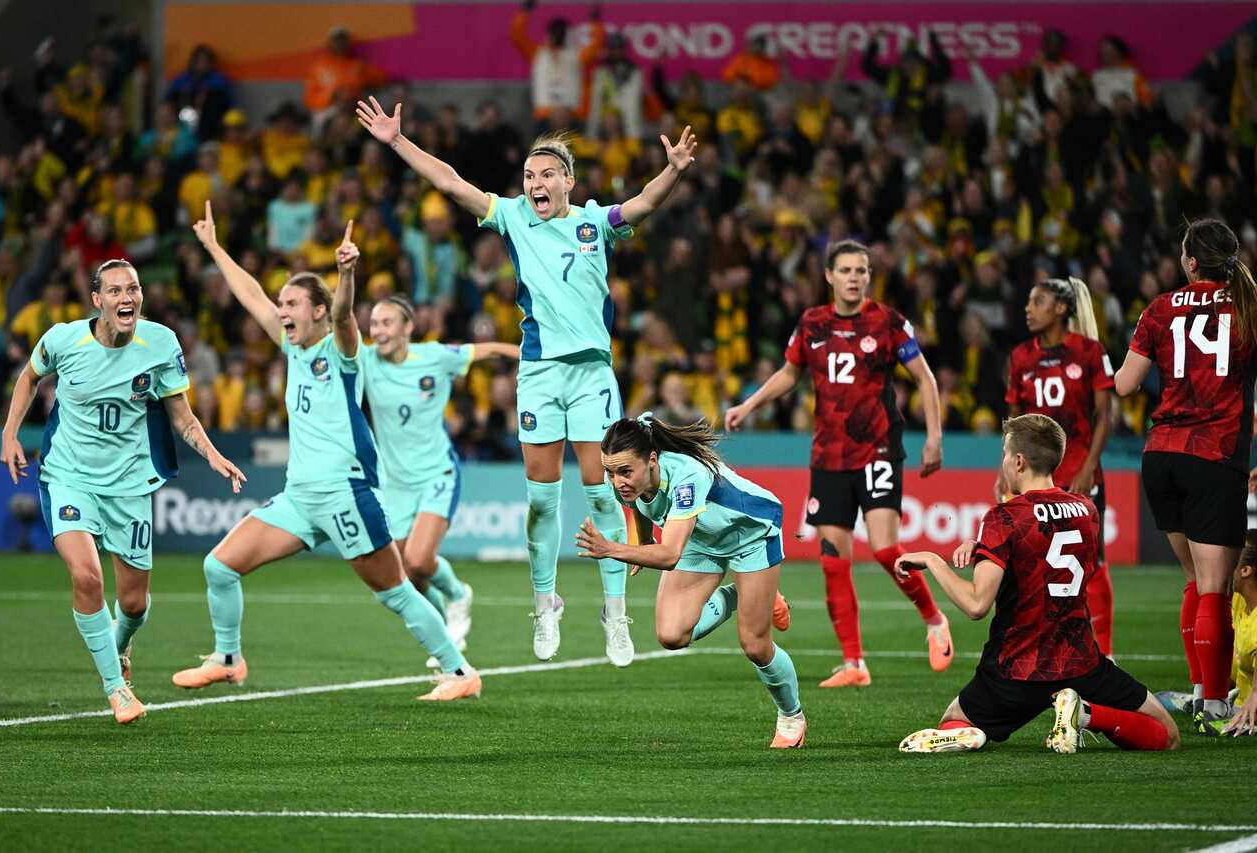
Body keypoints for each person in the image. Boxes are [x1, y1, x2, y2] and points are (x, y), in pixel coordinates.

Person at [356, 96, 696, 666]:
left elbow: (640, 205)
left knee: (603, 492)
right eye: (528, 175)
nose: (534, 183)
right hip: (539, 374)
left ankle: (615, 612)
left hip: (591, 373)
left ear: (567, 180)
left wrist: (674, 169)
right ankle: (546, 603)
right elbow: (450, 182)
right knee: (542, 502)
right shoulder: (513, 216)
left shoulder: (594, 222)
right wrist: (396, 142)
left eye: (545, 174)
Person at [173, 202, 481, 701]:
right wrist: (213, 246)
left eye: (292, 304)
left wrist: (345, 275)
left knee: (395, 591)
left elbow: (343, 315)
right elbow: (249, 293)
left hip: (344, 494)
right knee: (219, 566)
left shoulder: (341, 352)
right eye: (282, 304)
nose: (281, 311)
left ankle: (461, 673)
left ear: (317, 310)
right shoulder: (292, 348)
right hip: (300, 497)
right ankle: (228, 658)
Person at [0, 258, 245, 724]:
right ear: (97, 300)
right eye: (114, 291)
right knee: (87, 577)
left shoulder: (161, 344)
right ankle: (117, 688)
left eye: (132, 289)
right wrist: (11, 432)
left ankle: (121, 644)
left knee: (132, 603)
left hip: (130, 485)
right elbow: (30, 377)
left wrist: (211, 454)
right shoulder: (63, 339)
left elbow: (181, 416)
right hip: (68, 476)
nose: (126, 297)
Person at [724, 240, 951, 689]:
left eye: (861, 270)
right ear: (829, 275)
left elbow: (924, 377)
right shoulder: (812, 323)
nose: (854, 277)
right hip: (829, 455)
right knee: (833, 561)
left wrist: (935, 436)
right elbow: (790, 373)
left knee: (886, 550)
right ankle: (854, 664)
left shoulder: (888, 322)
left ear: (869, 276)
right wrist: (748, 406)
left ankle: (933, 619)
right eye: (845, 269)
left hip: (879, 447)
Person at [897, 414, 1180, 753]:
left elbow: (976, 604)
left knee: (954, 719)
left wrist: (933, 561)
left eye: (1004, 453)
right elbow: (1047, 557)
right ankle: (1086, 714)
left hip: (1017, 669)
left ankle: (974, 734)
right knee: (1168, 733)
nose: (1002, 462)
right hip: (1080, 663)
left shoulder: (1004, 517)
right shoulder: (1087, 510)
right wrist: (985, 547)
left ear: (1018, 461)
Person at [575, 414, 801, 748]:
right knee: (671, 635)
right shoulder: (636, 476)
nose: (617, 481)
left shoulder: (686, 477)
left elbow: (669, 556)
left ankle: (792, 717)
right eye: (610, 472)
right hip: (700, 538)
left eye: (624, 472)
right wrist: (643, 538)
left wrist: (612, 549)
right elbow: (638, 501)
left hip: (750, 533)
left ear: (652, 460)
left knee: (754, 645)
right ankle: (745, 594)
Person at [1115, 218, 1257, 735]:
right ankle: (1218, 704)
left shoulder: (1159, 308)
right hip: (1214, 457)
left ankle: (1200, 691)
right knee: (1217, 587)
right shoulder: (1248, 307)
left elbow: (1127, 386)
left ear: (1190, 262)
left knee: (1195, 582)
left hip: (1161, 456)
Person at [362, 294, 520, 661]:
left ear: (407, 327)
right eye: (373, 324)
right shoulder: (366, 361)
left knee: (419, 560)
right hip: (395, 483)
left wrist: (534, 353)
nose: (378, 330)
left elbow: (488, 351)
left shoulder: (434, 356)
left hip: (436, 472)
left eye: (386, 323)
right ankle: (444, 630)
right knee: (406, 576)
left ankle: (458, 594)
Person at [1005, 277, 1116, 655]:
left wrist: (1089, 466)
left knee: (1092, 563)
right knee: (1032, 567)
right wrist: (1003, 472)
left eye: (1038, 301)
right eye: (1028, 301)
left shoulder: (1088, 351)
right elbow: (1013, 422)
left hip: (1080, 476)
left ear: (1062, 308)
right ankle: (1044, 649)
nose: (1028, 308)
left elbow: (1106, 415)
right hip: (1033, 480)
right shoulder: (1021, 356)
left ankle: (1106, 655)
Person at [1221, 533, 1257, 736]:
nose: (1224, 564)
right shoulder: (1239, 598)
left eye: (1231, 559)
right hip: (1235, 699)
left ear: (1245, 570)